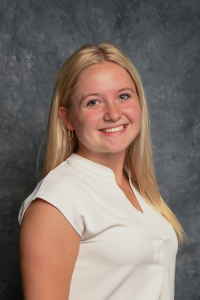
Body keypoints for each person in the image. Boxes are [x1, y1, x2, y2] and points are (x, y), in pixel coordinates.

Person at [19, 42, 186, 300]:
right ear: (68, 118)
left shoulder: (140, 191)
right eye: (93, 102)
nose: (113, 113)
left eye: (123, 96)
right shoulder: (57, 201)